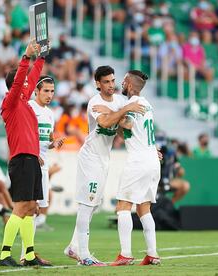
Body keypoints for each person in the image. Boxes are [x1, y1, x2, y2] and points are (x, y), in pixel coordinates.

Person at [63, 66, 145, 266]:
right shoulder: (94, 102)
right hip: (90, 158)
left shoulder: (118, 101)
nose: (111, 85)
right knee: (87, 205)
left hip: (104, 159)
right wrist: (120, 112)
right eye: (106, 82)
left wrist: (114, 113)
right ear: (97, 83)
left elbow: (126, 125)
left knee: (93, 206)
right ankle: (84, 256)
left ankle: (73, 247)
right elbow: (107, 124)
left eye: (113, 80)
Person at [0, 41, 48, 267]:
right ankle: (4, 254)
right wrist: (25, 59)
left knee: (31, 208)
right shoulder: (10, 102)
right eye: (26, 83)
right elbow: (20, 81)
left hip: (31, 158)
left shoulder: (24, 103)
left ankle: (29, 254)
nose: (29, 85)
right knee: (20, 207)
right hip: (21, 160)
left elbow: (33, 76)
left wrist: (42, 57)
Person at [107, 70, 161, 266]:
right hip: (152, 160)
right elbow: (137, 133)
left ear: (130, 85)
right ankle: (152, 254)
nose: (121, 84)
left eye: (123, 81)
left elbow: (127, 125)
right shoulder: (148, 104)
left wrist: (113, 118)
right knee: (144, 208)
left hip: (138, 160)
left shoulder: (133, 104)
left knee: (123, 206)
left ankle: (126, 254)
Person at [18, 75, 65, 266]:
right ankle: (25, 253)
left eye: (52, 91)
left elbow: (47, 141)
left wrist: (55, 143)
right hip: (29, 163)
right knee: (27, 208)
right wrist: (32, 153)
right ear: (36, 90)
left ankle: (27, 252)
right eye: (46, 90)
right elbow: (22, 134)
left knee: (35, 210)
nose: (49, 94)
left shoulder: (50, 113)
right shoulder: (29, 107)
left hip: (43, 166)